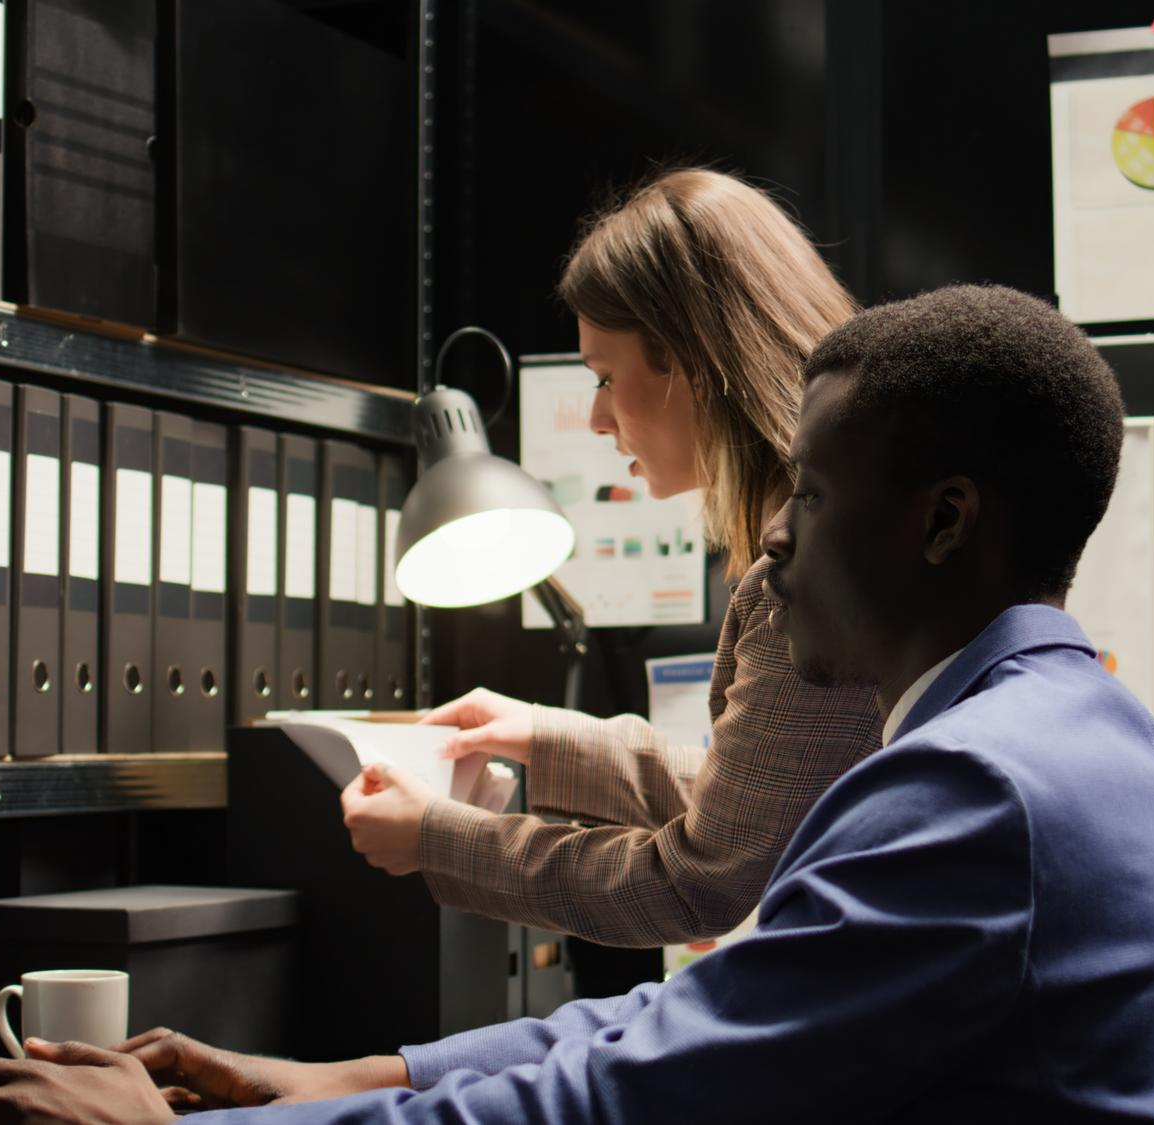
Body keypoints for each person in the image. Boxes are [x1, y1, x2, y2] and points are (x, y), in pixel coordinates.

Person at [0, 284, 1154, 1124]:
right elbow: (688, 1026)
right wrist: (369, 1075)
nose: (774, 544)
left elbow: (645, 1091)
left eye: (815, 500)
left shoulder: (975, 793)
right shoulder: (1079, 737)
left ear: (944, 523)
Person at [338, 167, 885, 948]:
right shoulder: (842, 533)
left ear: (695, 361)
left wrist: (437, 837)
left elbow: (696, 882)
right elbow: (761, 800)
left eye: (604, 376)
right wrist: (543, 734)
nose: (596, 418)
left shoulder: (809, 579)